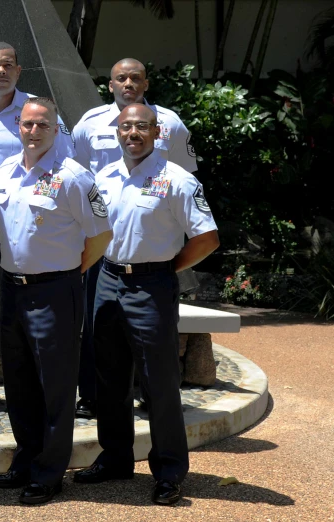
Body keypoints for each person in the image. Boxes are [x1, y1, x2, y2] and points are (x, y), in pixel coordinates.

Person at [72, 104, 220, 506]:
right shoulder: (103, 176)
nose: (132, 132)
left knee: (160, 383)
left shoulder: (177, 180)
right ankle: (116, 458)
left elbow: (207, 238)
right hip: (107, 280)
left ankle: (170, 470)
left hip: (152, 285)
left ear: (157, 133)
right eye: (126, 126)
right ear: (117, 132)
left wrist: (170, 267)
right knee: (110, 379)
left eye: (141, 126)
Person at [0, 98, 112, 505]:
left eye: (43, 125)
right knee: (19, 382)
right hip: (13, 289)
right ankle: (26, 460)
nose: (34, 131)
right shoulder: (4, 171)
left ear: (57, 130)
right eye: (27, 125)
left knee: (56, 385)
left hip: (55, 290)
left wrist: (72, 272)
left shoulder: (74, 176)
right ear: (18, 127)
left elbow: (101, 234)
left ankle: (49, 471)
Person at [71, 57, 198, 420]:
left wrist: (171, 261)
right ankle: (92, 396)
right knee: (97, 328)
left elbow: (186, 179)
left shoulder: (170, 123)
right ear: (109, 85)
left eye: (135, 78)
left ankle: (151, 396)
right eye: (121, 78)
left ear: (145, 84)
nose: (128, 83)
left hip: (150, 245)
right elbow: (76, 177)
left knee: (154, 338)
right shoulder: (89, 123)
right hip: (101, 245)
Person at [0, 41, 76, 413]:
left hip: (27, 222)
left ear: (18, 70)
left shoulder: (35, 111)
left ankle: (34, 382)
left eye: (8, 65)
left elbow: (65, 159)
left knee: (29, 303)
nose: (0, 72)